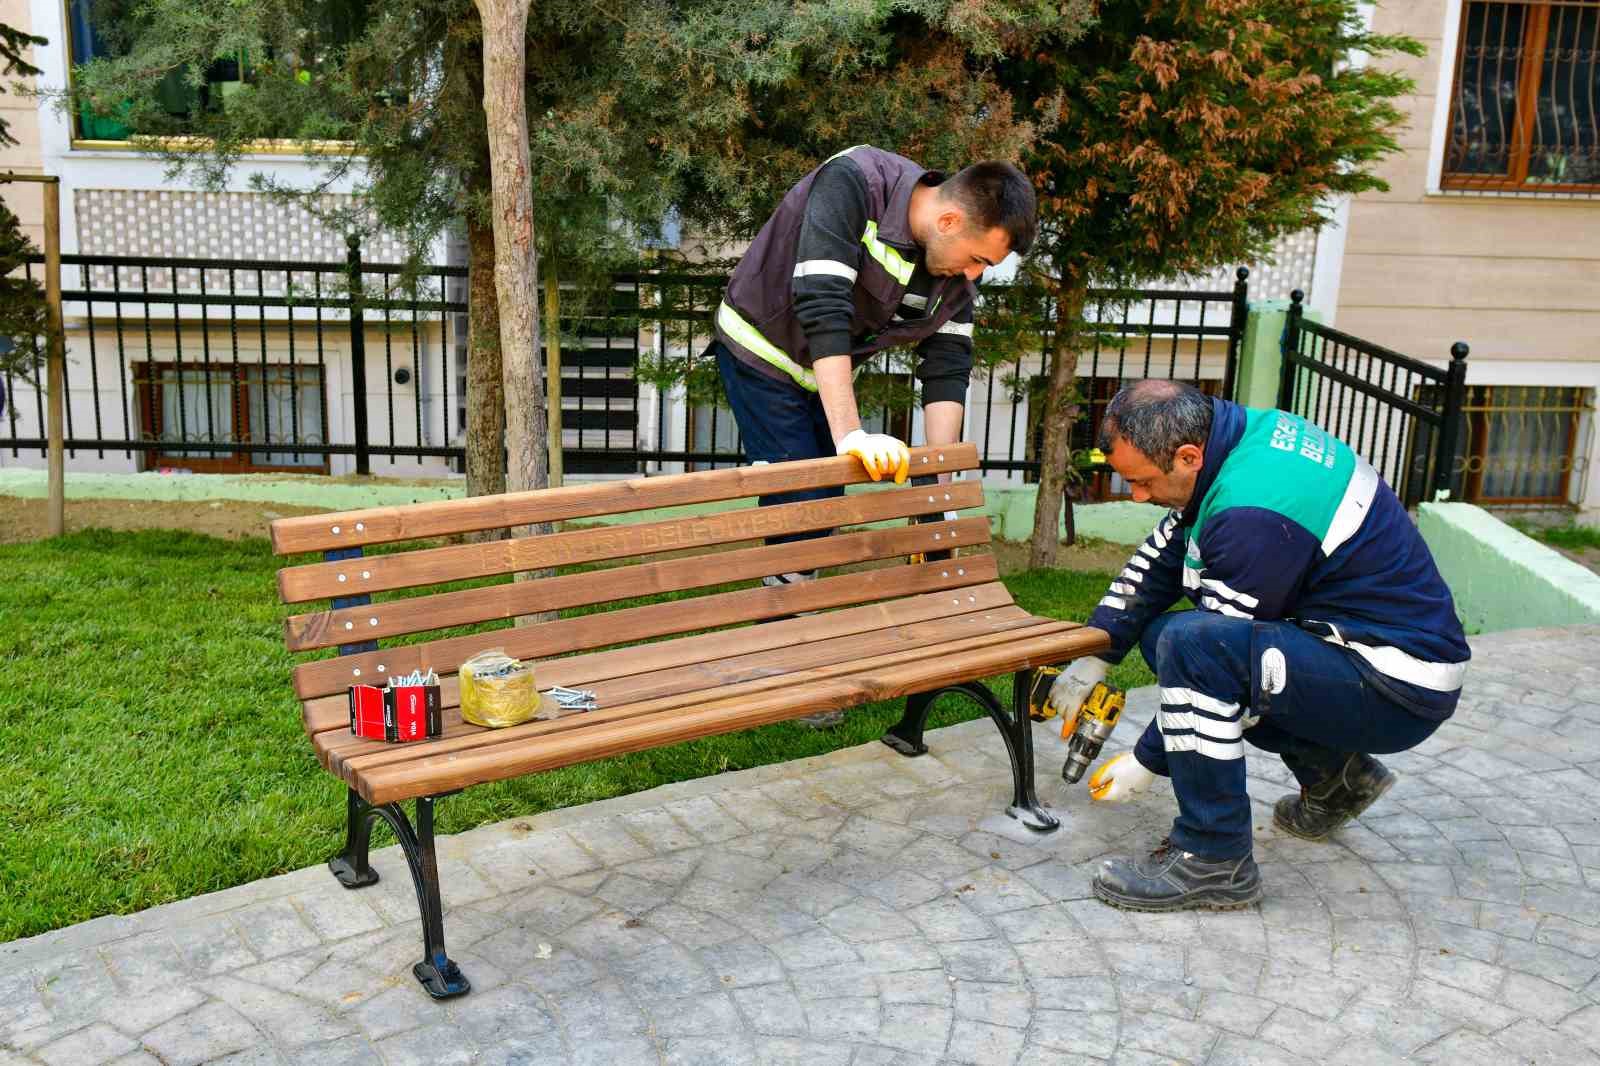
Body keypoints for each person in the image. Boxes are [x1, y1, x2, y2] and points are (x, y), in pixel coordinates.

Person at [1051, 380, 1470, 911]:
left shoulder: (1255, 510)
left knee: (1191, 646)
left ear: (1187, 455)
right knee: (1168, 639)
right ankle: (1338, 779)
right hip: (1361, 652)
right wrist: (1097, 654)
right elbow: (1166, 550)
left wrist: (1148, 758)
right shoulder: (1239, 439)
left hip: (1395, 683)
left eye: (1142, 482)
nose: (1136, 495)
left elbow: (1212, 650)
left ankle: (1213, 857)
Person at [709, 144, 1037, 570]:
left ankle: (792, 611)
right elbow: (822, 305)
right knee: (803, 492)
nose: (976, 275)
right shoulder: (855, 181)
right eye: (977, 259)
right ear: (950, 220)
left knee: (827, 498)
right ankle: (783, 623)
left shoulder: (952, 270)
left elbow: (947, 367)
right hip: (758, 347)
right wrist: (851, 435)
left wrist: (938, 491)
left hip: (819, 372)